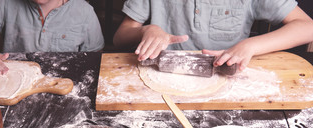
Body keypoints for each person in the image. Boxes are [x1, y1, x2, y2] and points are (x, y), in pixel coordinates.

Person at [113, 0, 313, 71]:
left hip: (227, 76)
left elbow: (307, 27)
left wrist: (250, 46)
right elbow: (119, 38)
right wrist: (147, 30)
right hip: (162, 75)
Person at [0, 0, 104, 76]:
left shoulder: (85, 12)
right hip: (13, 82)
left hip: (62, 86)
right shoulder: (5, 3)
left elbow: (95, 59)